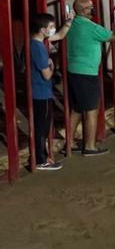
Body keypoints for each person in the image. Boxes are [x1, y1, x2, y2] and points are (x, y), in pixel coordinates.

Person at [66, 0, 115, 156]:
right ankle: (90, 146)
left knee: (77, 109)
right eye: (90, 7)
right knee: (91, 110)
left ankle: (70, 142)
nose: (93, 9)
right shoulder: (91, 27)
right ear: (83, 11)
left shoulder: (72, 24)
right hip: (88, 73)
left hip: (73, 71)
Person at [29, 13, 72, 170]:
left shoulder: (38, 42)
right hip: (41, 92)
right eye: (51, 27)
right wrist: (53, 67)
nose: (53, 29)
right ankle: (40, 160)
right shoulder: (38, 48)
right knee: (42, 127)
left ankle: (42, 157)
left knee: (42, 126)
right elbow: (47, 75)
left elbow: (60, 35)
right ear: (42, 30)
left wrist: (67, 23)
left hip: (40, 91)